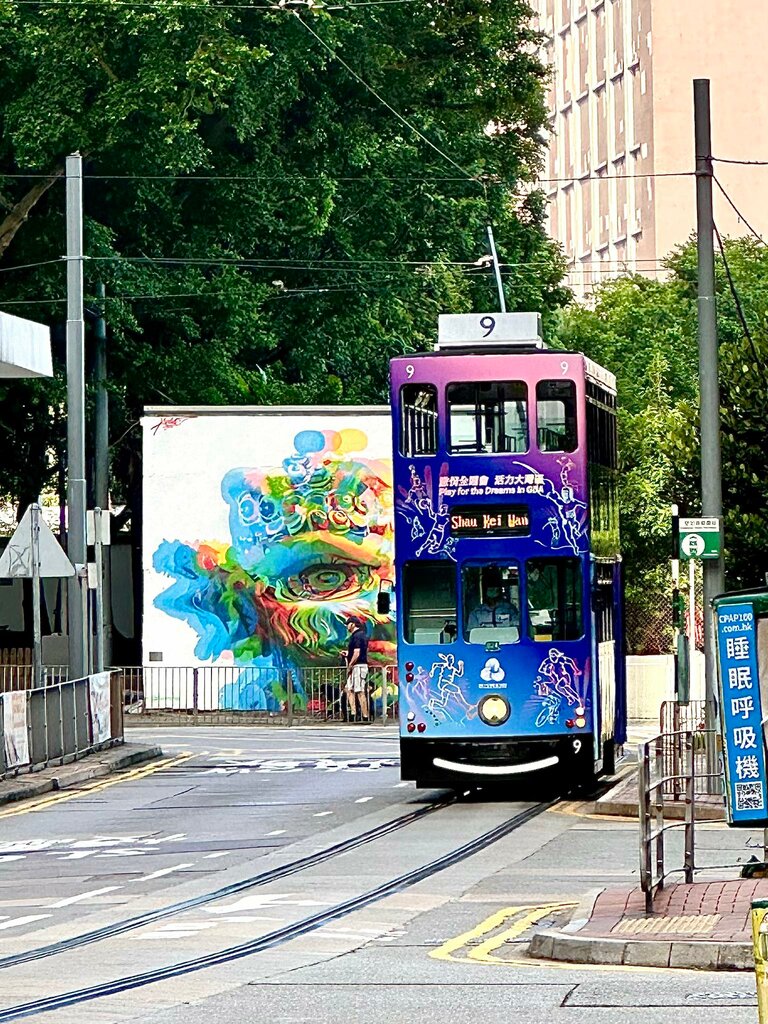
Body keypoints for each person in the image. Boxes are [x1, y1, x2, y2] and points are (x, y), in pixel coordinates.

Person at [345, 616, 370, 721]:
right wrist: (348, 654)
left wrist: (350, 664)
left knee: (360, 691)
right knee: (348, 688)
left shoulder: (358, 636)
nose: (347, 626)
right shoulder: (358, 635)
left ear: (353, 624)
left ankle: (364, 715)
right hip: (357, 665)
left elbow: (357, 652)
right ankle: (353, 713)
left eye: (348, 624)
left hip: (359, 666)